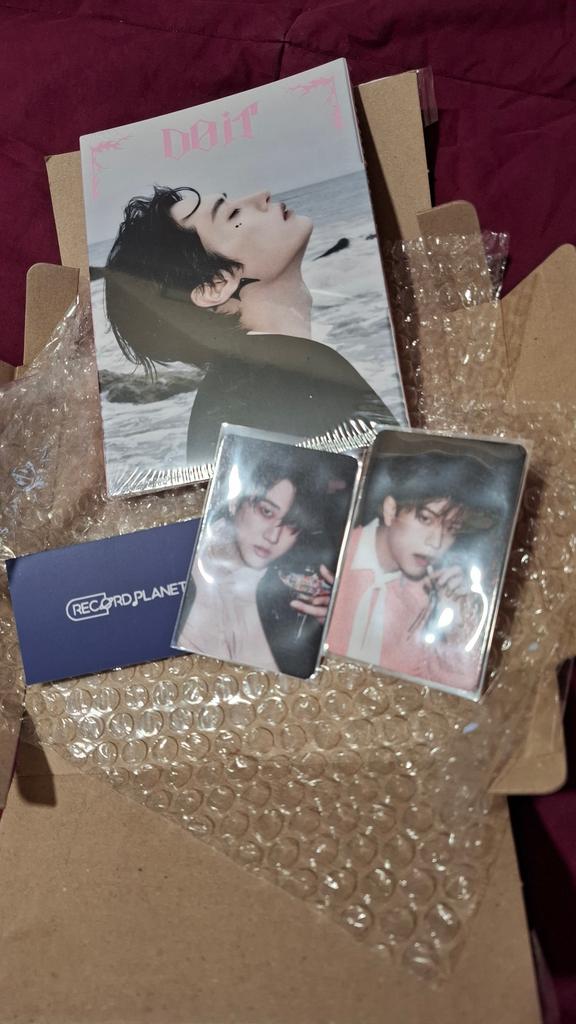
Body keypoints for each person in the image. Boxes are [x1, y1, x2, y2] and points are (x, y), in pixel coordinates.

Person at [101, 186, 397, 467]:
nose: (261, 196)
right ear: (215, 285)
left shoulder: (245, 386)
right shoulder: (296, 379)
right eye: (232, 215)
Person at [175, 444, 355, 678]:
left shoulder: (297, 593)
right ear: (234, 501)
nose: (273, 536)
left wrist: (332, 631)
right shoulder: (181, 560)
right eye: (266, 512)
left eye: (291, 524)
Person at [327, 449, 500, 692]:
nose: (436, 542)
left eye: (451, 528)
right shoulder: (329, 557)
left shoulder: (433, 595)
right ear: (390, 510)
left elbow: (456, 691)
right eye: (425, 519)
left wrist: (454, 631)